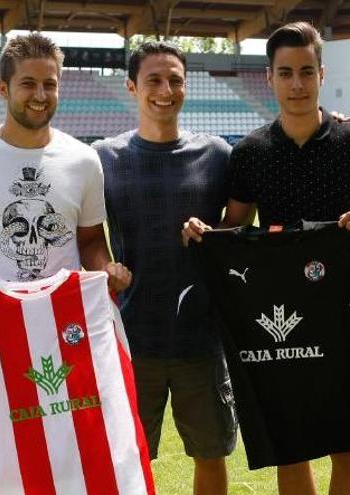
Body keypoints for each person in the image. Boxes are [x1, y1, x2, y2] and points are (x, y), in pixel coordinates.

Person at [183, 21, 350, 495]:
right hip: (277, 312)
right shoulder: (251, 153)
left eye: (307, 71)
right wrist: (206, 232)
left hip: (343, 308)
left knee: (347, 444)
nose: (297, 84)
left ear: (322, 74)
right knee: (292, 442)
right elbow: (234, 226)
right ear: (270, 78)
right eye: (286, 73)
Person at [0, 33, 131, 495]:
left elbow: (91, 242)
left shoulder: (83, 160)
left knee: (72, 460)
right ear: (4, 89)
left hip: (66, 336)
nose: (40, 96)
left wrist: (107, 270)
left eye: (50, 84)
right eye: (28, 84)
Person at [92, 41, 237, 495]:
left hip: (202, 334)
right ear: (132, 86)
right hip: (131, 337)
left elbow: (238, 226)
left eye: (175, 79)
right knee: (128, 458)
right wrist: (104, 266)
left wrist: (213, 233)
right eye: (153, 79)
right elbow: (86, 234)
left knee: (210, 454)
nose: (165, 89)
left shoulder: (217, 155)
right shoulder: (101, 157)